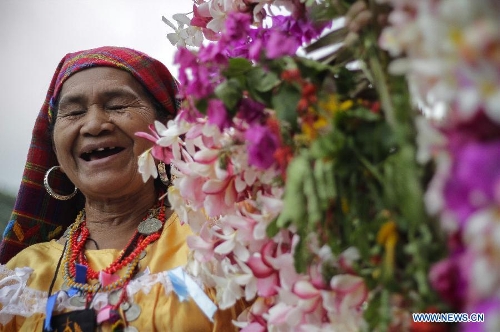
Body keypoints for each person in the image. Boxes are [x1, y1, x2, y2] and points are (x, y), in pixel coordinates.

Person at [0, 46, 245, 331]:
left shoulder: (219, 239)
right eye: (74, 112)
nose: (92, 125)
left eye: (117, 105)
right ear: (55, 146)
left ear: (167, 129)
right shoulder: (22, 277)